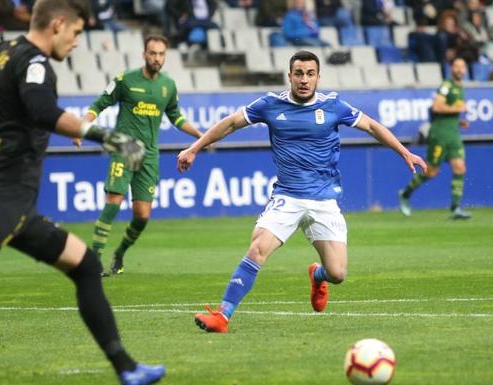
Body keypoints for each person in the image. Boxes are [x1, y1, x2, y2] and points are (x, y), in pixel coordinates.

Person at [0, 0, 165, 383]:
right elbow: (43, 111)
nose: (77, 42)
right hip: (6, 192)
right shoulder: (36, 63)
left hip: (11, 197)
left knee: (86, 267)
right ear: (58, 24)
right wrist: (109, 138)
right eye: (76, 33)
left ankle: (127, 369)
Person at [177, 50, 427, 333]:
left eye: (310, 74)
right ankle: (223, 315)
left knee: (338, 273)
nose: (304, 80)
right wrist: (194, 147)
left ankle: (317, 275)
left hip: (324, 200)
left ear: (319, 77)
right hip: (288, 197)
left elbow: (371, 126)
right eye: (299, 74)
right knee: (258, 248)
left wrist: (404, 151)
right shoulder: (271, 104)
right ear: (290, 76)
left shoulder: (334, 106)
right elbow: (232, 122)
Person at [78, 34, 202, 276]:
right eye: (153, 53)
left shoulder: (168, 86)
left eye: (161, 54)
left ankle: (120, 253)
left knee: (142, 215)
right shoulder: (125, 80)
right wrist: (82, 127)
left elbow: (176, 117)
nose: (157, 58)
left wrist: (200, 135)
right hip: (124, 147)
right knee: (114, 201)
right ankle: (94, 259)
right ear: (144, 54)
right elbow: (99, 104)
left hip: (149, 155)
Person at [398, 57, 472, 220]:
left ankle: (455, 208)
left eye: (462, 66)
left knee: (460, 167)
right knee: (431, 172)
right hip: (439, 135)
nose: (460, 70)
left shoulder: (460, 88)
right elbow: (437, 106)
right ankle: (405, 193)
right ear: (452, 69)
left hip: (453, 134)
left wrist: (458, 121)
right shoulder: (446, 85)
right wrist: (457, 108)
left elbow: (446, 112)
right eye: (457, 66)